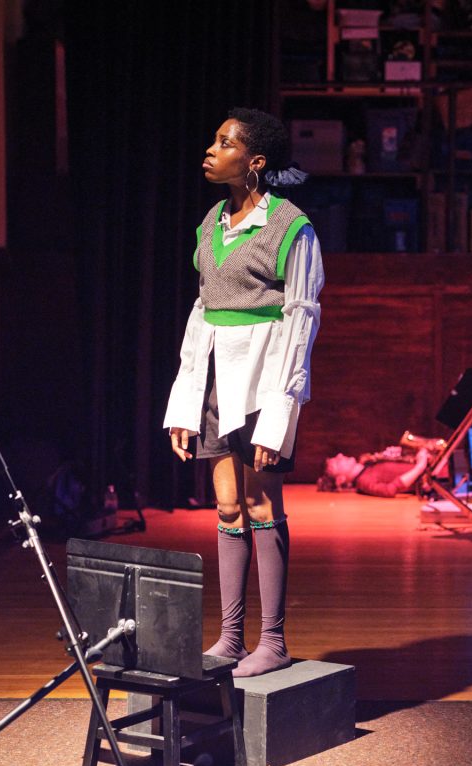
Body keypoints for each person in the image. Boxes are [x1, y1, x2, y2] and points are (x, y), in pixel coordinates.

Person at [163, 107, 323, 678]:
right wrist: (184, 404)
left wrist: (280, 415)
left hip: (264, 380)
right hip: (215, 378)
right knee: (226, 504)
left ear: (254, 162)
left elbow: (302, 320)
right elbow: (201, 315)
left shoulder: (291, 226)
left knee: (262, 503)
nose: (211, 149)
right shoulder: (211, 224)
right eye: (213, 138)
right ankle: (231, 637)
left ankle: (272, 640)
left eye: (224, 142)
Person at [321, 446, 431, 498]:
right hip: (433, 479)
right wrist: (420, 466)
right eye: (336, 463)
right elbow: (389, 490)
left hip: (432, 467)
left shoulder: (366, 463)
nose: (340, 455)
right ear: (341, 479)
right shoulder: (364, 482)